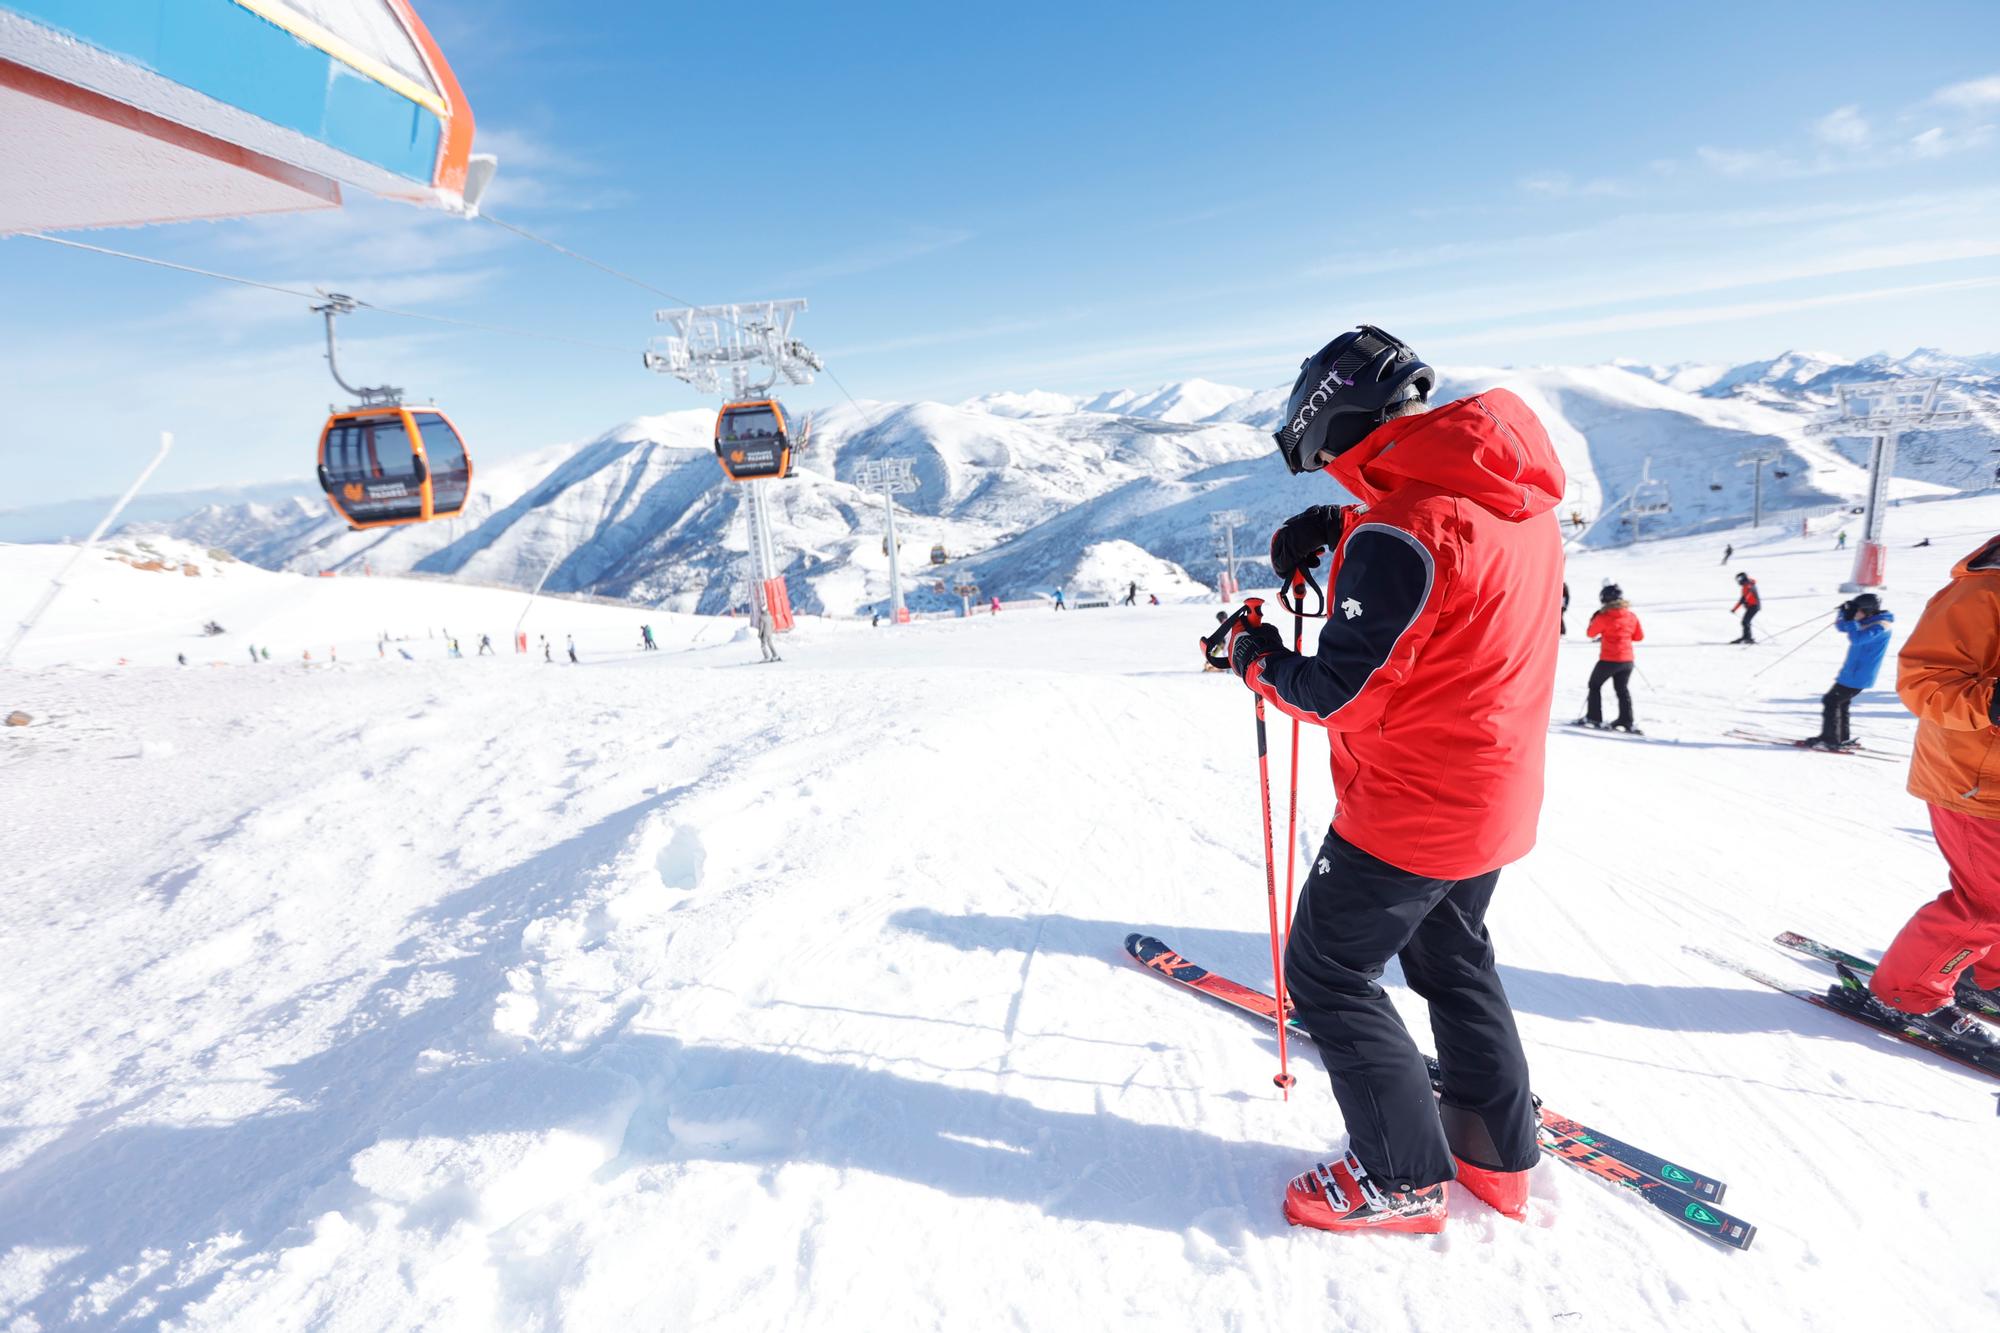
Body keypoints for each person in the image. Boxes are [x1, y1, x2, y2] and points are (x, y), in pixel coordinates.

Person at [1229, 324, 1563, 1234]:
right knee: (1451, 956)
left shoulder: (1404, 528)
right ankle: (1497, 1161)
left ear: (1330, 423)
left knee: (1328, 973)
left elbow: (1338, 690)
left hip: (1415, 806)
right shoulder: (1508, 489)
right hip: (1494, 788)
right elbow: (1458, 562)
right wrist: (1341, 527)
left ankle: (1399, 1177)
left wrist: (1253, 656)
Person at [1823, 537, 2000, 1054]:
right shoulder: (1983, 594)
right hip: (1975, 781)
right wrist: (1992, 702)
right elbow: (1923, 681)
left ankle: (1984, 975)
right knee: (1986, 903)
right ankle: (1907, 993)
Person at [1803, 594, 1893, 751]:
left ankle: (1830, 739)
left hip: (1859, 675)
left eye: (1858, 611)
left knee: (1831, 701)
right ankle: (1841, 737)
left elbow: (1857, 639)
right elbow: (1841, 626)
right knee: (1841, 703)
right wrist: (1844, 613)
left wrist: (1851, 618)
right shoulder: (1867, 621)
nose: (1856, 614)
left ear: (1867, 611)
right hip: (1852, 673)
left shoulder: (1881, 626)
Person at [1577, 585, 1643, 732]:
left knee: (1594, 685)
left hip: (1609, 659)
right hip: (1627, 661)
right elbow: (1639, 637)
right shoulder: (1631, 616)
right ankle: (1626, 720)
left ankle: (1594, 717)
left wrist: (1594, 619)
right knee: (1622, 689)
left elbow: (1590, 633)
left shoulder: (1604, 616)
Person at [1730, 572, 1761, 643]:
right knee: (1745, 622)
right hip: (1752, 606)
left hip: (1754, 606)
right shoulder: (1747, 585)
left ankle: (1748, 638)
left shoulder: (1748, 586)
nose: (1739, 581)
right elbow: (1745, 598)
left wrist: (1735, 609)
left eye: (1739, 579)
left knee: (1745, 621)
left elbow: (1744, 598)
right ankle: (1746, 637)